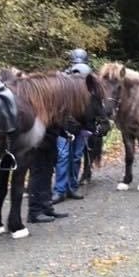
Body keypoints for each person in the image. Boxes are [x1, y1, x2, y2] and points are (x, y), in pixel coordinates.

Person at [52, 48, 92, 204]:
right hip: (64, 125)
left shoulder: (90, 81)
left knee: (76, 156)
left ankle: (72, 186)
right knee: (63, 156)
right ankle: (59, 189)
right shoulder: (63, 79)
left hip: (81, 125)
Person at [28, 132, 69, 223]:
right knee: (37, 174)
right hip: (37, 139)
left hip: (50, 137)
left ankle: (46, 207)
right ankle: (34, 211)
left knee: (48, 172)